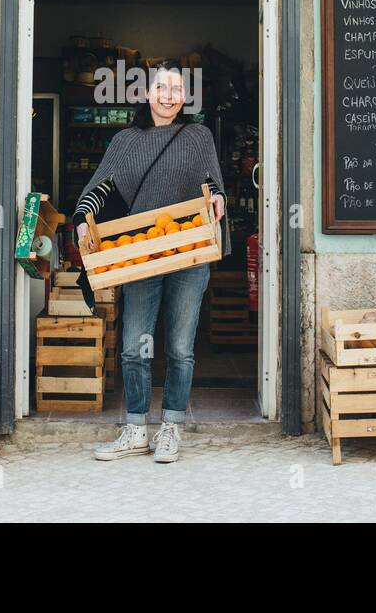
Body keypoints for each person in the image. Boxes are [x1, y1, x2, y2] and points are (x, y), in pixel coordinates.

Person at [74, 60, 227, 463]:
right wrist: (81, 221)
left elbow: (213, 183)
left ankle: (171, 428)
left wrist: (218, 200)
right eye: (162, 88)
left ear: (185, 97)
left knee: (179, 348)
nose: (169, 96)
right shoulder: (126, 140)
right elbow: (99, 187)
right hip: (141, 256)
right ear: (147, 93)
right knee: (133, 347)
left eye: (177, 90)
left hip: (190, 252)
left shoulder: (198, 136)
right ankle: (136, 430)